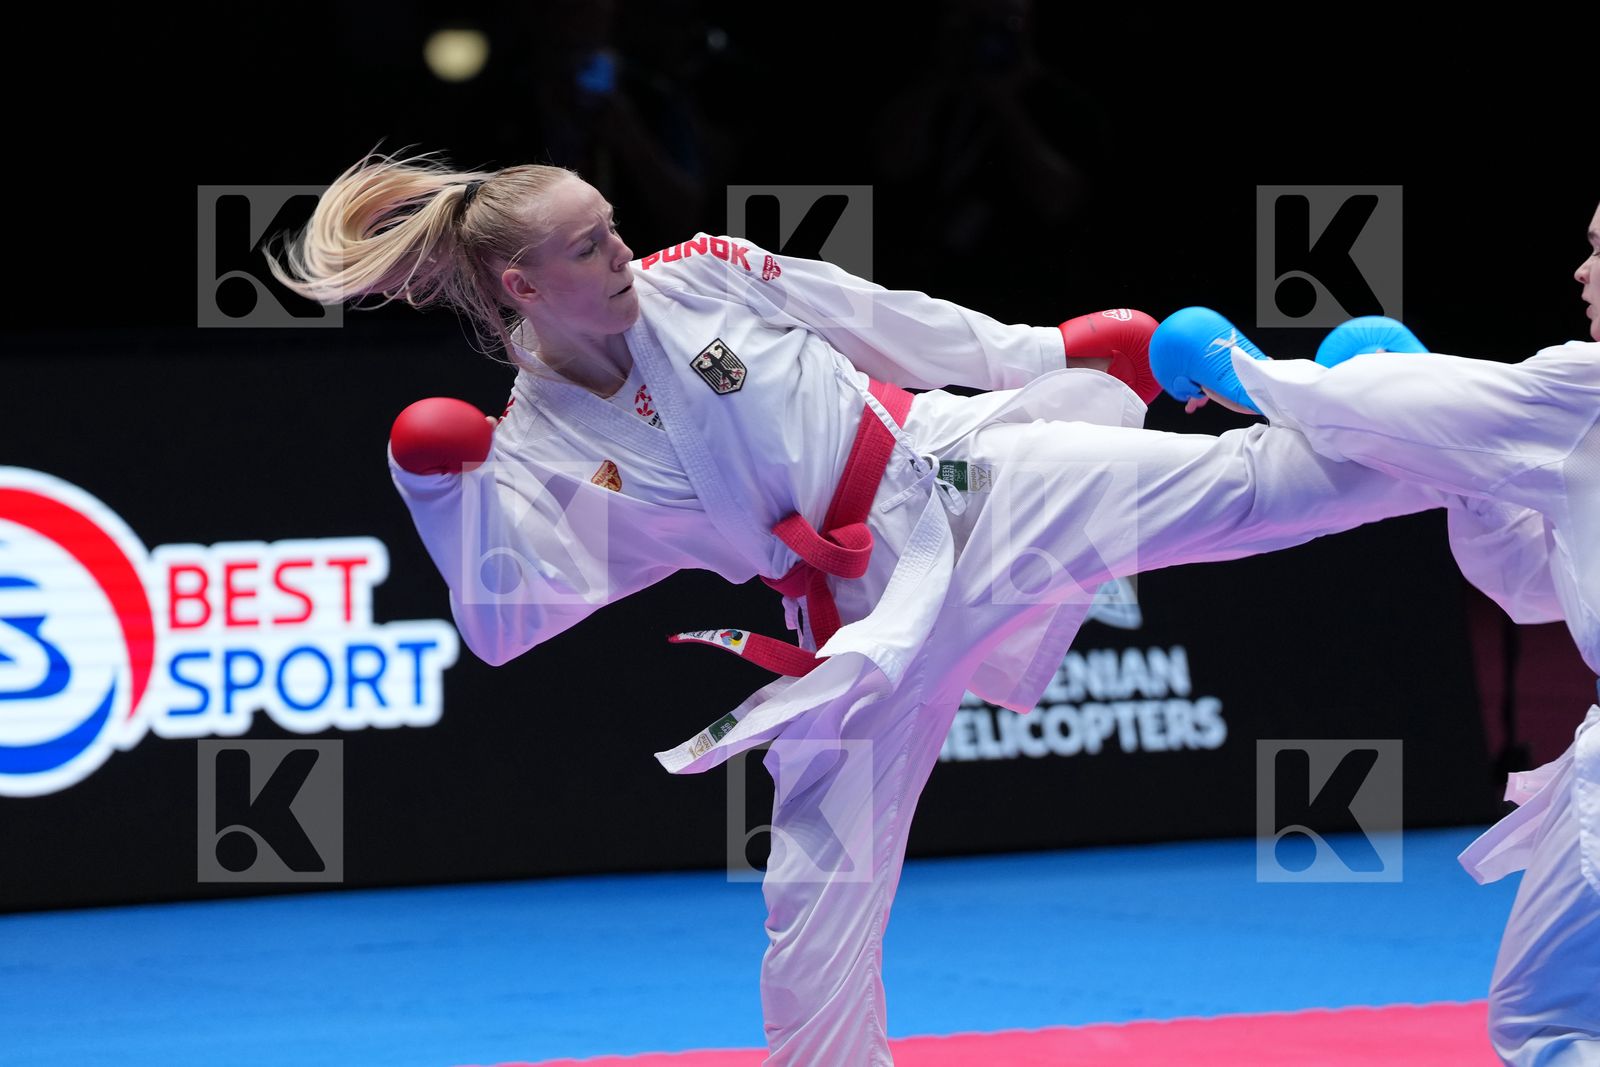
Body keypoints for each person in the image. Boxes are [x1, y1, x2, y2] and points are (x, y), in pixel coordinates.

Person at [269, 151, 1442, 1065]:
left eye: (614, 224)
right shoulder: (533, 453)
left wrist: (1042, 351)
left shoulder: (704, 273)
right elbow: (503, 621)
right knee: (814, 896)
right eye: (591, 244)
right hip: (846, 626)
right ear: (525, 284)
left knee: (1246, 487)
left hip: (961, 478)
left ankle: (1464, 430)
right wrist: (439, 492)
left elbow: (882, 317)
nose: (623, 249)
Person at [1147, 203, 1600, 1065]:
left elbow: (1408, 402)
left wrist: (1238, 371)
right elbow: (1538, 585)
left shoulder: (1586, 386)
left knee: (1550, 1023)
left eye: (1598, 251)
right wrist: (1457, 468)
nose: (1581, 274)